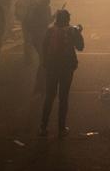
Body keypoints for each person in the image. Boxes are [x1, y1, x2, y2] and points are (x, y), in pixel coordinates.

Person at [38, 10, 84, 138]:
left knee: (49, 96)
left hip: (52, 67)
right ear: (67, 19)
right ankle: (61, 128)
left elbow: (44, 48)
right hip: (66, 68)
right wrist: (79, 33)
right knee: (63, 97)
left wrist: (45, 64)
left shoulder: (50, 31)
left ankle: (43, 126)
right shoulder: (71, 31)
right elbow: (80, 47)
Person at [26, 0, 53, 93]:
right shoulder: (37, 8)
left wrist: (54, 16)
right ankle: (39, 85)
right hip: (38, 36)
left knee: (44, 60)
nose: (48, 0)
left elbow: (48, 21)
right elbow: (35, 22)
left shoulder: (46, 8)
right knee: (44, 60)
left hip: (42, 36)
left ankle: (40, 85)